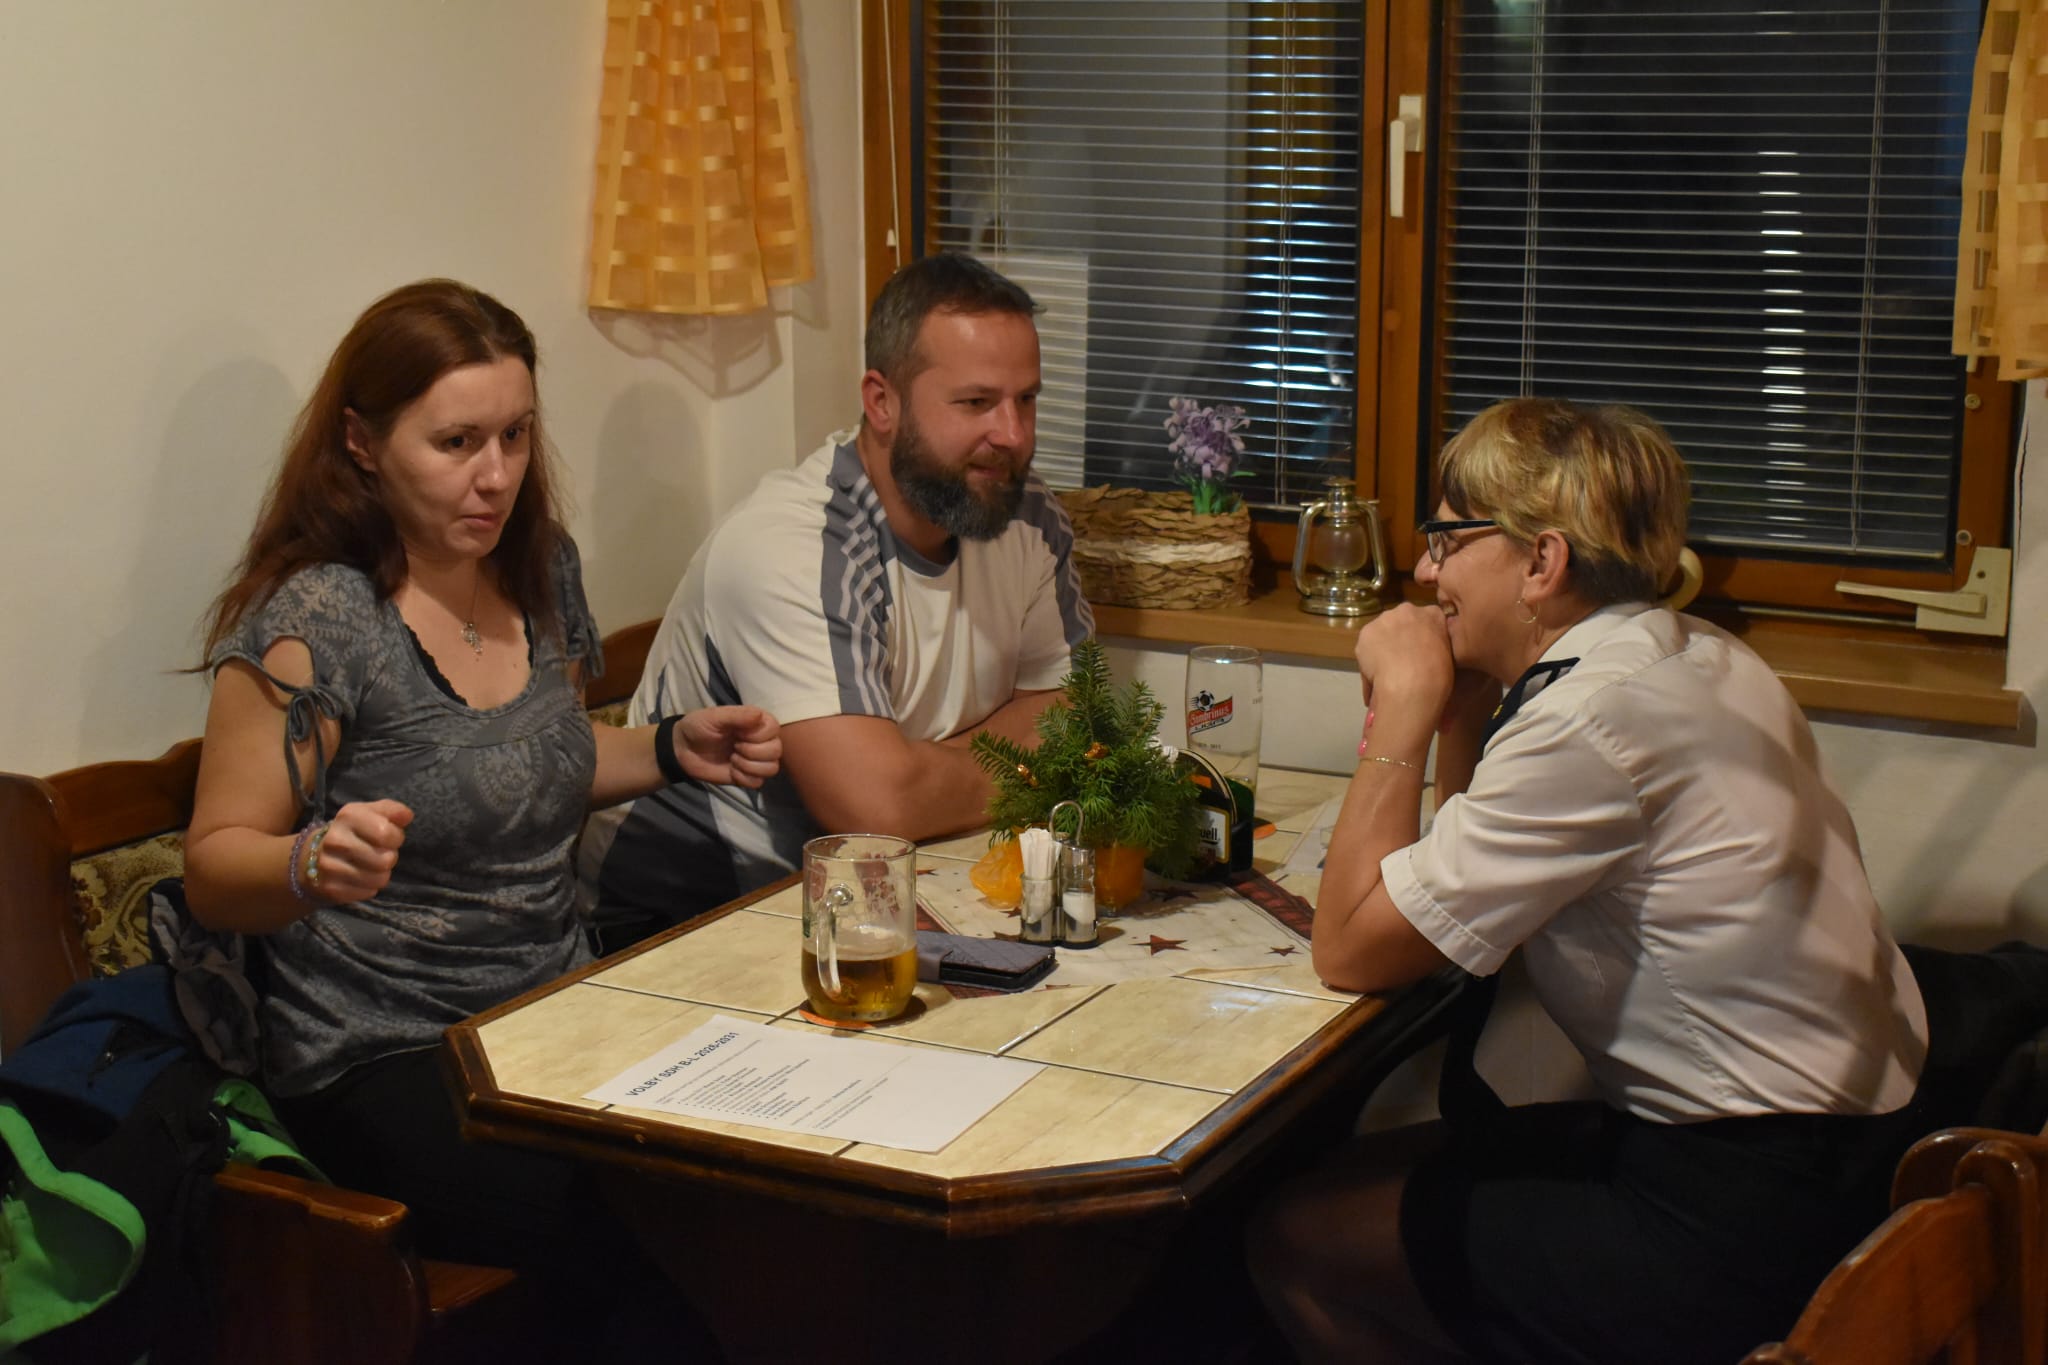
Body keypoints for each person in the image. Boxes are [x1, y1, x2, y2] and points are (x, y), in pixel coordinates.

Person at [1248, 398, 1930, 1365]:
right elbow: (1467, 885)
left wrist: (1404, 702)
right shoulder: (1694, 655)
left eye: (1445, 539)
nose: (1425, 573)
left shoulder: (1590, 722)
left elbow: (1353, 947)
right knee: (1341, 1174)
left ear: (1542, 562)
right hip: (1841, 1149)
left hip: (1741, 1206)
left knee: (1295, 1236)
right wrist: (1461, 712)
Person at [184, 279, 780, 1355]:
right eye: (456, 442)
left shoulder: (538, 565)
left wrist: (666, 748)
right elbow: (216, 865)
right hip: (385, 1050)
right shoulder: (323, 618)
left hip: (549, 1009)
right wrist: (310, 861)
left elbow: (528, 763)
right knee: (649, 1233)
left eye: (515, 434)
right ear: (362, 442)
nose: (496, 474)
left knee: (758, 1159)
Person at [577, 252, 1094, 951]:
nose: (1013, 435)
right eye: (976, 403)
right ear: (881, 402)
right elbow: (879, 809)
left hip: (887, 897)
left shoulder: (1024, 513)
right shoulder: (794, 546)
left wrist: (914, 773)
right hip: (685, 922)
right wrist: (955, 770)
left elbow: (1078, 716)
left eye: (1025, 400)